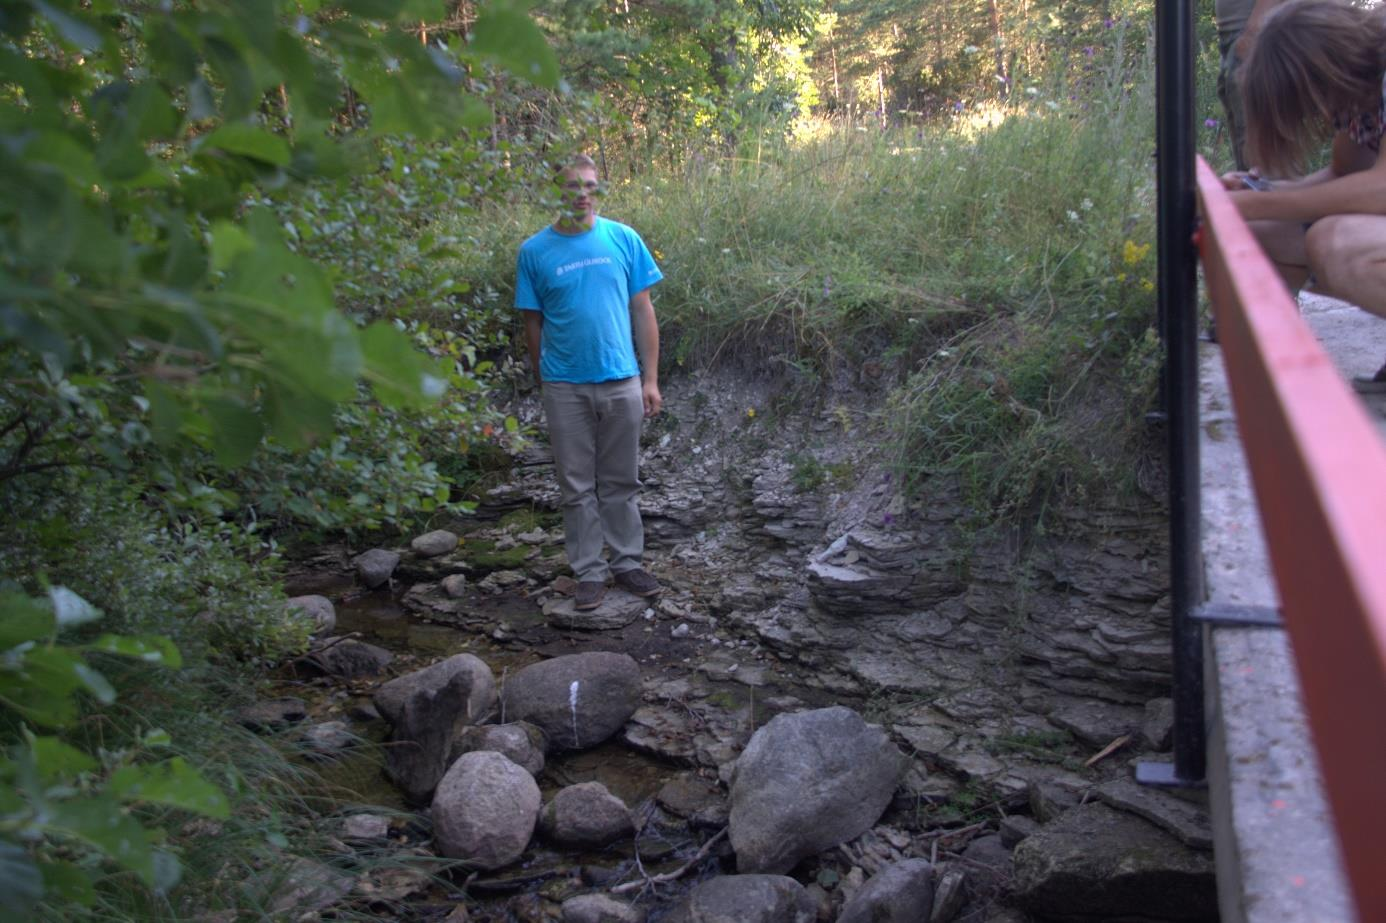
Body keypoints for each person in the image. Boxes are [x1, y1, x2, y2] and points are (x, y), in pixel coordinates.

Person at [515, 154, 665, 609]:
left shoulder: (623, 238)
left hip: (622, 380)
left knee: (622, 480)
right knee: (576, 486)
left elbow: (643, 311)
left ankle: (627, 564)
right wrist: (546, 379)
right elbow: (532, 323)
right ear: (554, 192)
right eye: (572, 186)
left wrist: (650, 379)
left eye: (590, 185)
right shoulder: (534, 252)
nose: (582, 194)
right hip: (565, 387)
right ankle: (589, 573)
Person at [1221, 0, 1386, 386]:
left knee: (1337, 244)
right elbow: (1345, 176)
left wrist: (1258, 202)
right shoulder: (1357, 95)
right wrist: (1258, 191)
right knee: (1256, 234)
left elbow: (1380, 189)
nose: (1317, 115)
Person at [1215, 0, 1289, 170]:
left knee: (1262, 159)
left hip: (1255, 35)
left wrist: (1253, 30)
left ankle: (1268, 195)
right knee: (1248, 155)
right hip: (1235, 37)